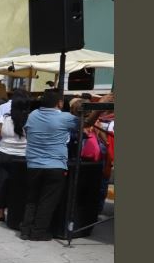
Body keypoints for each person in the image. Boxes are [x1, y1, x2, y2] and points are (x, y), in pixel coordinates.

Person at [19, 90, 98, 241]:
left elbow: (28, 133)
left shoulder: (33, 115)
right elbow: (87, 124)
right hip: (55, 165)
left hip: (33, 164)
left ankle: (25, 230)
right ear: (59, 103)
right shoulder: (64, 117)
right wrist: (99, 107)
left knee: (32, 199)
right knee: (47, 200)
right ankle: (38, 232)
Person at [0, 94, 29, 223]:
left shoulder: (5, 117)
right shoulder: (29, 120)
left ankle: (0, 213)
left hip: (3, 153)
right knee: (18, 186)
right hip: (22, 156)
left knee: (1, 183)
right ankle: (15, 212)